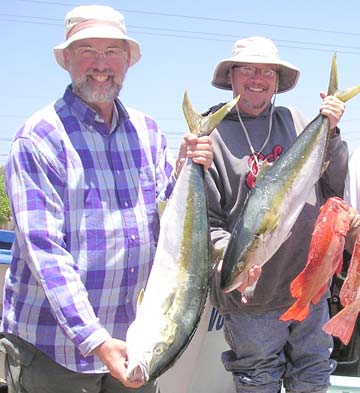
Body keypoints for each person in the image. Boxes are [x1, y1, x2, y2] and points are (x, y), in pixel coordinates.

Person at [0, 5, 213, 393]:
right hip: (55, 350)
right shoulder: (39, 138)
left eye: (112, 52)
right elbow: (45, 253)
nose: (101, 64)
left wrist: (186, 168)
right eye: (87, 52)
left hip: (136, 342)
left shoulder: (147, 132)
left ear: (128, 61)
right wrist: (95, 341)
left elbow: (167, 213)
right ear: (67, 60)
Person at [204, 36, 347, 393]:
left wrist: (331, 132)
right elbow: (208, 220)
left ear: (278, 80)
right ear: (232, 76)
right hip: (251, 299)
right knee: (257, 380)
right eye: (248, 69)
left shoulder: (297, 120)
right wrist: (224, 256)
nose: (258, 77)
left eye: (267, 70)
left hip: (308, 287)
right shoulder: (212, 135)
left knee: (313, 378)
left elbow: (334, 186)